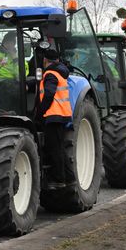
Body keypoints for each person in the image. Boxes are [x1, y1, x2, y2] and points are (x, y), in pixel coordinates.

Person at [36, 48, 72, 188]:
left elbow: (49, 94)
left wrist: (40, 112)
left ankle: (59, 179)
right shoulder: (59, 72)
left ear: (45, 60)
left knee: (54, 149)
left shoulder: (50, 74)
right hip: (60, 115)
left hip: (53, 115)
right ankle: (69, 178)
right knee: (59, 147)